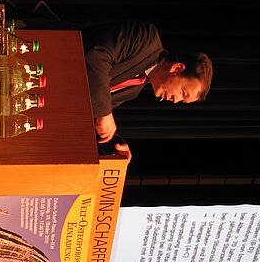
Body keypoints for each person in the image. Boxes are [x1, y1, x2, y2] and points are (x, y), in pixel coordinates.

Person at [82, 19, 213, 162]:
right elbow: (95, 55)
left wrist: (114, 145)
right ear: (177, 68)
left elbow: (92, 116)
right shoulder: (145, 38)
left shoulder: (134, 90)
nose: (176, 100)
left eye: (182, 101)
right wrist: (105, 113)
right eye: (183, 92)